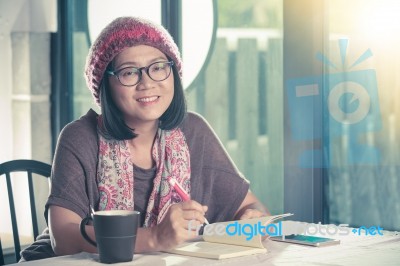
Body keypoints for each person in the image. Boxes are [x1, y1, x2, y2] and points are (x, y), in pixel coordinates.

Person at [20, 16, 269, 261]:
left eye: (158, 67)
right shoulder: (79, 137)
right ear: (105, 85)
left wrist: (251, 219)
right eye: (129, 73)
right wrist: (154, 238)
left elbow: (254, 209)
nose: (147, 83)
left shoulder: (194, 131)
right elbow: (63, 239)